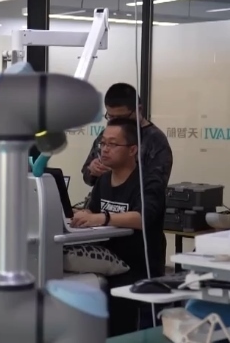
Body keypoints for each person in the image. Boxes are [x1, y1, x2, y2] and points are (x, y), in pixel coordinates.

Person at [71, 118, 166, 337]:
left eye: (113, 144)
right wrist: (83, 216)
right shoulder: (103, 181)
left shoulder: (148, 181)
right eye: (103, 143)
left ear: (133, 150)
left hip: (136, 269)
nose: (104, 149)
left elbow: (142, 218)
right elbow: (93, 212)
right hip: (105, 263)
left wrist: (103, 218)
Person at [81, 83, 172, 188]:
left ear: (138, 109)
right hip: (103, 196)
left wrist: (119, 173)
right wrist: (92, 170)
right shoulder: (108, 133)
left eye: (121, 117)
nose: (116, 122)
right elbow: (86, 174)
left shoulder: (155, 140)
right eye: (111, 117)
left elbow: (157, 185)